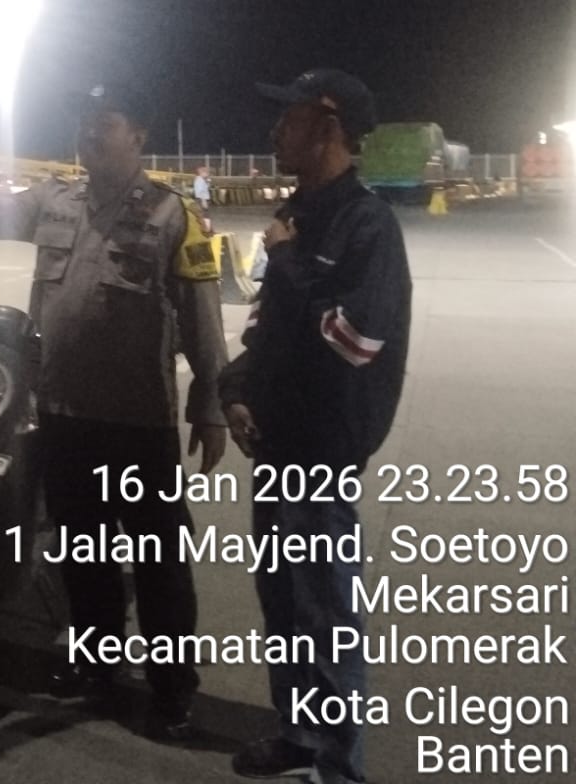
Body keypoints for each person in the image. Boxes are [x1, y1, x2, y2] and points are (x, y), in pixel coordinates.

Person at [0, 84, 230, 740]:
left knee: (158, 563)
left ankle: (173, 688)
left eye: (105, 123)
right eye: (85, 123)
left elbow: (203, 321)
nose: (89, 134)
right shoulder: (55, 201)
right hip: (63, 414)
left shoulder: (173, 215)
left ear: (138, 136)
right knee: (84, 553)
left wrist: (212, 406)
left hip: (138, 422)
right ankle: (97, 668)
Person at [220, 69, 410, 784]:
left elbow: (354, 341)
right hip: (277, 444)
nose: (275, 131)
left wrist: (289, 258)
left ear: (328, 127)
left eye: (289, 118)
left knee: (326, 613)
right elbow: (269, 327)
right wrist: (236, 387)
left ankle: (338, 768)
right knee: (283, 604)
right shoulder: (298, 212)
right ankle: (299, 737)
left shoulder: (366, 225)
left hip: (323, 453)